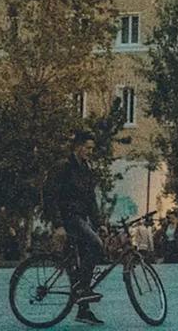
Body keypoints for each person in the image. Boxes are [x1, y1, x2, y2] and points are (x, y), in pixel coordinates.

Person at [49, 130, 106, 327]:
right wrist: (58, 225)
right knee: (96, 245)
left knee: (80, 265)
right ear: (78, 147)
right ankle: (83, 290)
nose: (90, 152)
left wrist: (100, 224)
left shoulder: (86, 169)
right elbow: (51, 195)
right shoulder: (64, 167)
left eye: (92, 148)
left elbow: (91, 200)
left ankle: (83, 309)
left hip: (81, 218)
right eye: (88, 148)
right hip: (69, 217)